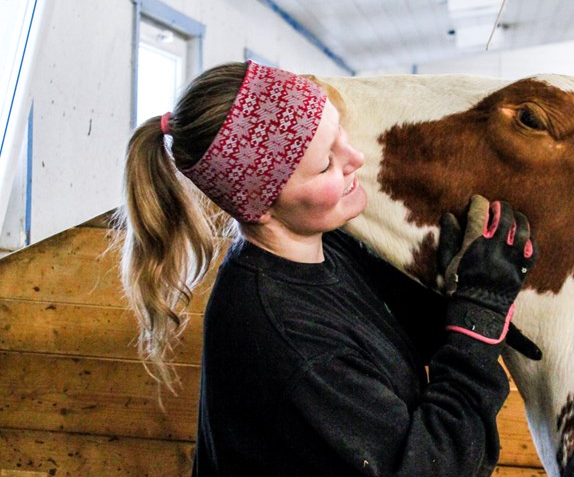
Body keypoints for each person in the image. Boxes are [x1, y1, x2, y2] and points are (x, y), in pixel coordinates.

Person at [118, 60, 539, 476]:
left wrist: (443, 291)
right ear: (262, 207)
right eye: (325, 165)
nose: (354, 158)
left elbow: (379, 333)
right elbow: (433, 465)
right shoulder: (291, 340)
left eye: (339, 133)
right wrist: (479, 315)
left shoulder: (325, 245)